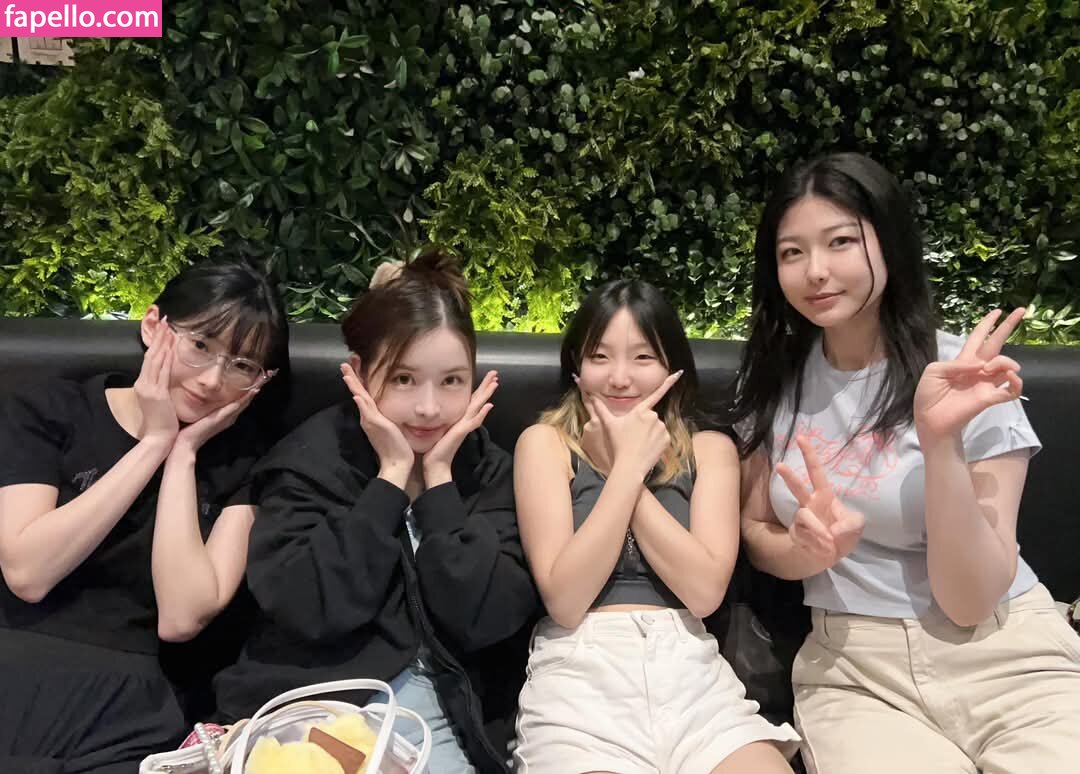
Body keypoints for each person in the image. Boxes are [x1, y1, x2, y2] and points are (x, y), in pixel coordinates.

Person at [734, 151, 1080, 774]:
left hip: (1005, 652)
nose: (816, 270)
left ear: (888, 241)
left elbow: (971, 601)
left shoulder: (966, 377)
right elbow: (758, 531)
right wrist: (807, 552)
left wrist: (940, 442)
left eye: (841, 241)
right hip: (854, 670)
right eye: (792, 252)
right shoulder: (771, 383)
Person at [214, 251, 539, 773]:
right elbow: (311, 611)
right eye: (404, 379)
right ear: (360, 373)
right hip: (316, 706)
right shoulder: (311, 460)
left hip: (442, 717)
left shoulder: (492, 472)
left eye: (452, 381)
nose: (429, 407)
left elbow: (484, 621)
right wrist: (389, 480)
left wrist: (438, 483)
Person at [0, 258, 289, 773]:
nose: (212, 380)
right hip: (17, 663)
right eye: (200, 345)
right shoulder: (52, 409)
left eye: (242, 365)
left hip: (136, 709)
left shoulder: (250, 463)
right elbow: (27, 572)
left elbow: (182, 617)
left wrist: (182, 455)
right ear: (154, 326)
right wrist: (152, 444)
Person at [512, 278, 799, 774]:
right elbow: (566, 600)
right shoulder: (545, 443)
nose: (620, 378)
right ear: (577, 365)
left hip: (692, 672)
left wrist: (623, 471)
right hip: (580, 675)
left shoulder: (710, 449)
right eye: (600, 357)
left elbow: (704, 593)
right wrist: (624, 468)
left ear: (673, 366)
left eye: (643, 357)